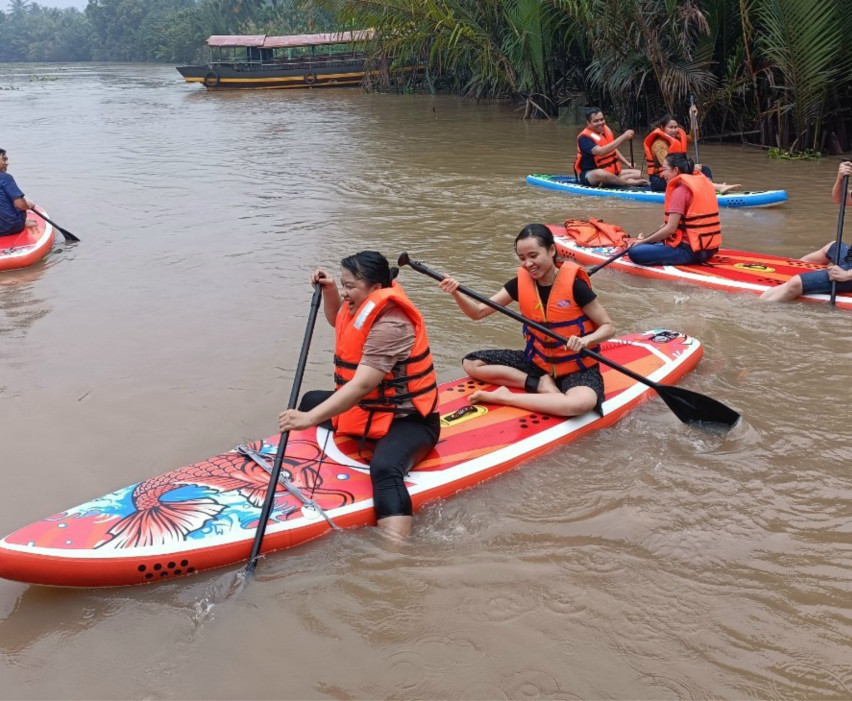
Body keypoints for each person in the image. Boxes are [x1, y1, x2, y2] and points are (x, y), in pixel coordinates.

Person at [278, 252, 440, 540]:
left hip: (408, 419)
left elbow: (363, 384)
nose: (345, 292)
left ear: (375, 289)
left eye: (349, 286)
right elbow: (339, 320)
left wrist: (309, 420)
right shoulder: (362, 306)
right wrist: (330, 292)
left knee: (385, 467)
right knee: (309, 400)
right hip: (369, 410)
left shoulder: (393, 324)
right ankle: (290, 475)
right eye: (342, 284)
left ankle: (394, 549)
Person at [438, 224, 616, 417]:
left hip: (577, 367)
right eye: (522, 258)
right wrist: (456, 293)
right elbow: (478, 312)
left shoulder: (575, 286)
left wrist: (586, 341)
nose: (528, 263)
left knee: (581, 404)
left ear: (551, 250)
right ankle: (538, 383)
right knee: (472, 363)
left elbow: (608, 327)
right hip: (538, 363)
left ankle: (504, 397)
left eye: (533, 256)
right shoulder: (519, 284)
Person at [760, 153, 852, 302]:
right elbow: (840, 199)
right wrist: (840, 178)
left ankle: (780, 294)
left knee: (795, 284)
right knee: (832, 247)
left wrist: (847, 275)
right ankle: (791, 275)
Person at [626, 153, 722, 266]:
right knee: (648, 244)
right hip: (710, 249)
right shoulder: (703, 183)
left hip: (691, 252)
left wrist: (643, 242)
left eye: (665, 169)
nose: (662, 174)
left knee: (634, 252)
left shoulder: (680, 191)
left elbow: (670, 229)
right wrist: (647, 240)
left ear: (675, 170)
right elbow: (670, 226)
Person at [573, 108, 648, 187]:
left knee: (640, 174)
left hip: (611, 172)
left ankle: (611, 181)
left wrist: (627, 163)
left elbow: (612, 148)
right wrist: (624, 137)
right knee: (601, 174)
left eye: (602, 120)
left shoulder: (605, 130)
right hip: (591, 173)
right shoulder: (584, 138)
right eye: (596, 121)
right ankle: (627, 183)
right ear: (588, 123)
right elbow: (601, 151)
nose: (600, 123)